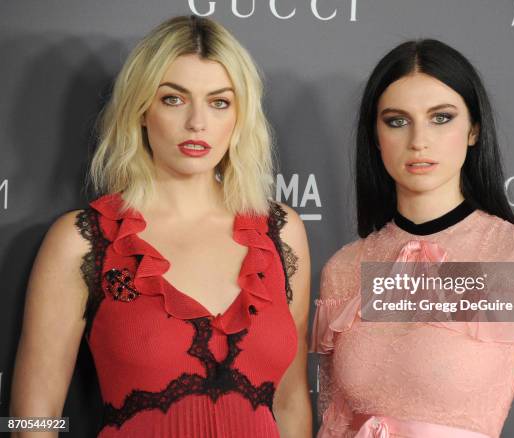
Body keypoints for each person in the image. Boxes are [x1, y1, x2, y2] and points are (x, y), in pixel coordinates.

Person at [11, 15, 312, 437]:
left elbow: (291, 400)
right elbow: (33, 417)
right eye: (174, 99)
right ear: (141, 109)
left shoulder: (281, 232)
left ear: (240, 117)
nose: (197, 123)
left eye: (219, 102)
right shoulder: (82, 241)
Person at [310, 39, 514, 437]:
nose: (419, 140)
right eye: (397, 120)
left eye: (441, 118)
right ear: (375, 136)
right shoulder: (346, 268)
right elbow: (334, 421)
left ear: (473, 131)